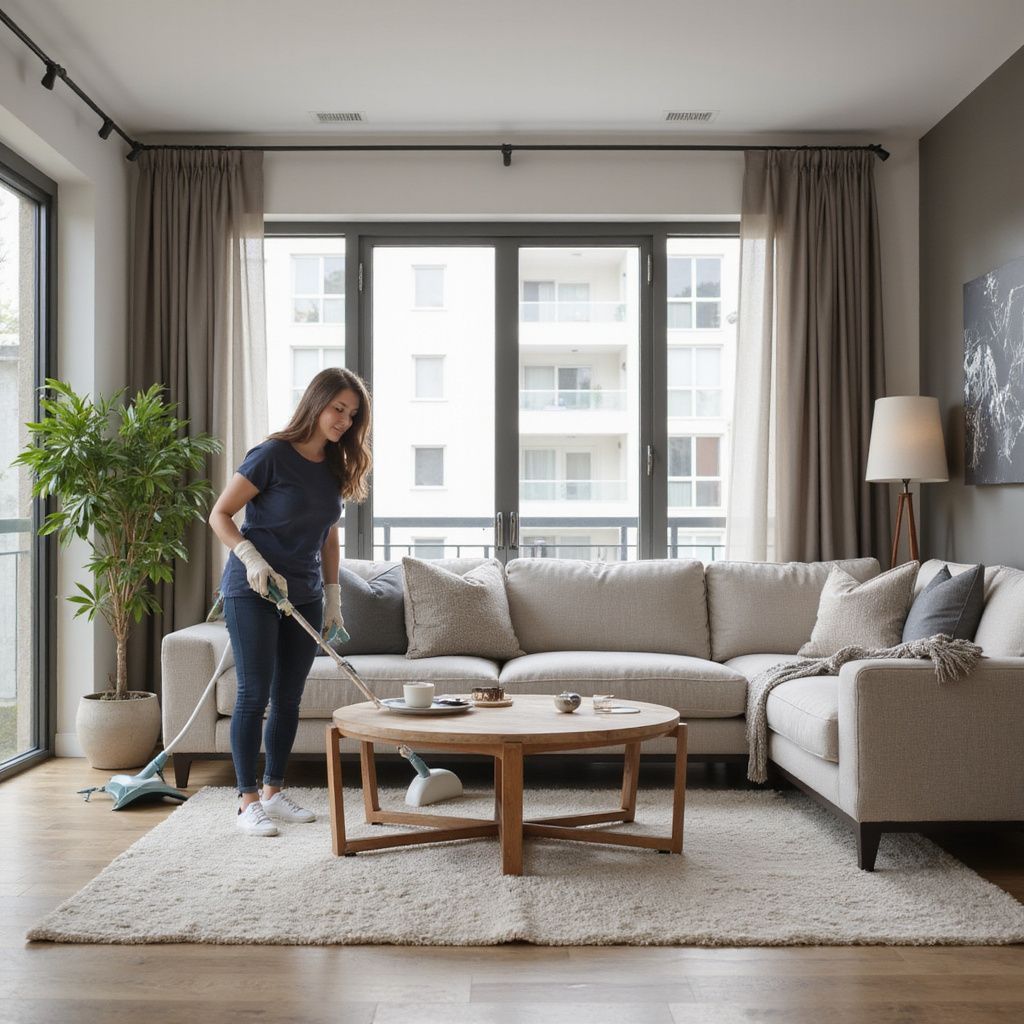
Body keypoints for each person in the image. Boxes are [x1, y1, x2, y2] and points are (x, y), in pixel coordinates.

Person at [209, 367, 372, 836]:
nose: (344, 420)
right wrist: (250, 558)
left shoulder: (336, 464)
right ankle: (246, 802)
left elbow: (328, 537)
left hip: (304, 594)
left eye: (352, 414)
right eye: (338, 408)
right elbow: (220, 514)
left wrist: (334, 595)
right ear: (316, 402)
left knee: (288, 697)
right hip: (253, 589)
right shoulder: (272, 455)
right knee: (253, 693)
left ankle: (273, 792)